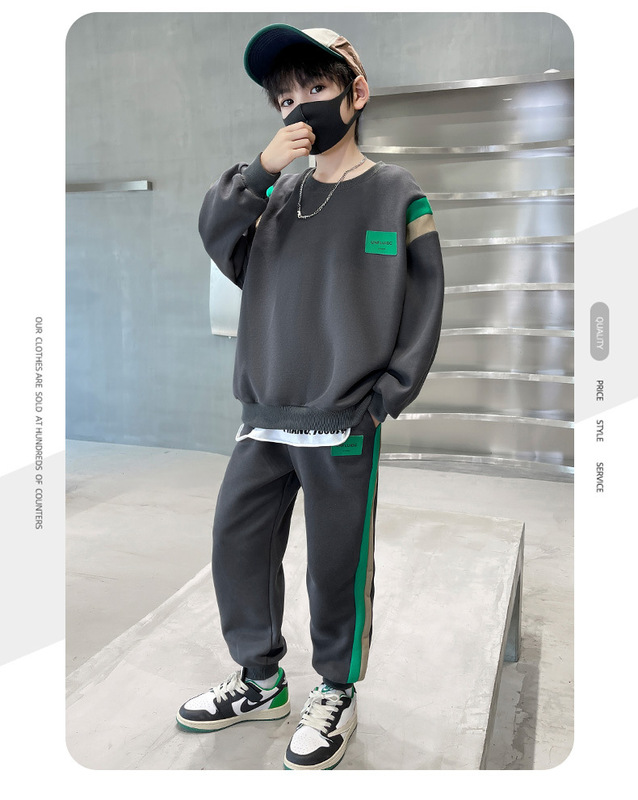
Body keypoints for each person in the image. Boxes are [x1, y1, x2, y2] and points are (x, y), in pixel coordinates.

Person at [176, 24, 444, 770]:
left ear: (357, 92)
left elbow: (424, 303)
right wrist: (260, 170)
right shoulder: (275, 196)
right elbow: (216, 236)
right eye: (285, 99)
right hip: (265, 416)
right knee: (237, 543)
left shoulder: (397, 195)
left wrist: (386, 396)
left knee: (336, 564)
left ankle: (335, 690)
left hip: (343, 419)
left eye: (316, 89)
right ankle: (260, 681)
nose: (300, 108)